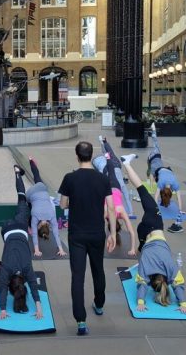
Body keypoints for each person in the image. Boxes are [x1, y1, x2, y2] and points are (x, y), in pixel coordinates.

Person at [59, 141, 116, 336]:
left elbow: (63, 205)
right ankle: (99, 304)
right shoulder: (103, 179)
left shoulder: (69, 178)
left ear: (77, 156)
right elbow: (111, 208)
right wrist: (113, 233)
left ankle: (81, 321)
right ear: (91, 155)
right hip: (97, 234)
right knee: (98, 270)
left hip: (76, 235)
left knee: (78, 276)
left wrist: (73, 201)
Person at [120, 154, 186, 313]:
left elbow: (178, 284)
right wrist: (141, 301)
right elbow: (142, 283)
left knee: (142, 189)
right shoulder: (145, 267)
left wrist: (183, 303)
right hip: (144, 234)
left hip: (154, 224)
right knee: (141, 249)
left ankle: (127, 162)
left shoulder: (170, 267)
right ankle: (127, 163)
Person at [0, 165, 43, 321]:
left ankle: (17, 174)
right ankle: (18, 174)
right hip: (6, 230)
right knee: (22, 198)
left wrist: (39, 307)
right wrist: (2, 309)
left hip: (21, 228)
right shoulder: (5, 269)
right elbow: (2, 288)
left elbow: (33, 285)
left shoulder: (27, 268)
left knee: (21, 197)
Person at [16, 158, 66, 258]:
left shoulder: (52, 215)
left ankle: (31, 161)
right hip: (30, 194)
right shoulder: (36, 217)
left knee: (37, 177)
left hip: (42, 188)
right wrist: (37, 250)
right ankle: (17, 173)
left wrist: (61, 249)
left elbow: (56, 233)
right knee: (27, 203)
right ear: (39, 227)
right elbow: (35, 234)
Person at [147, 123, 184, 233]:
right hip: (154, 162)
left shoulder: (173, 183)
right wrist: (180, 210)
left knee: (156, 146)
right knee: (151, 171)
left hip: (158, 163)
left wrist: (155, 209)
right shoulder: (163, 183)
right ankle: (153, 130)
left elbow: (156, 196)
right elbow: (178, 198)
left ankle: (153, 130)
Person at [101, 136, 136, 214]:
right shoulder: (120, 187)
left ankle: (104, 142)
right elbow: (126, 198)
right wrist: (130, 212)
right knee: (107, 154)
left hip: (115, 166)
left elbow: (126, 198)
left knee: (108, 153)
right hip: (113, 167)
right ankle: (104, 142)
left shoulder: (119, 187)